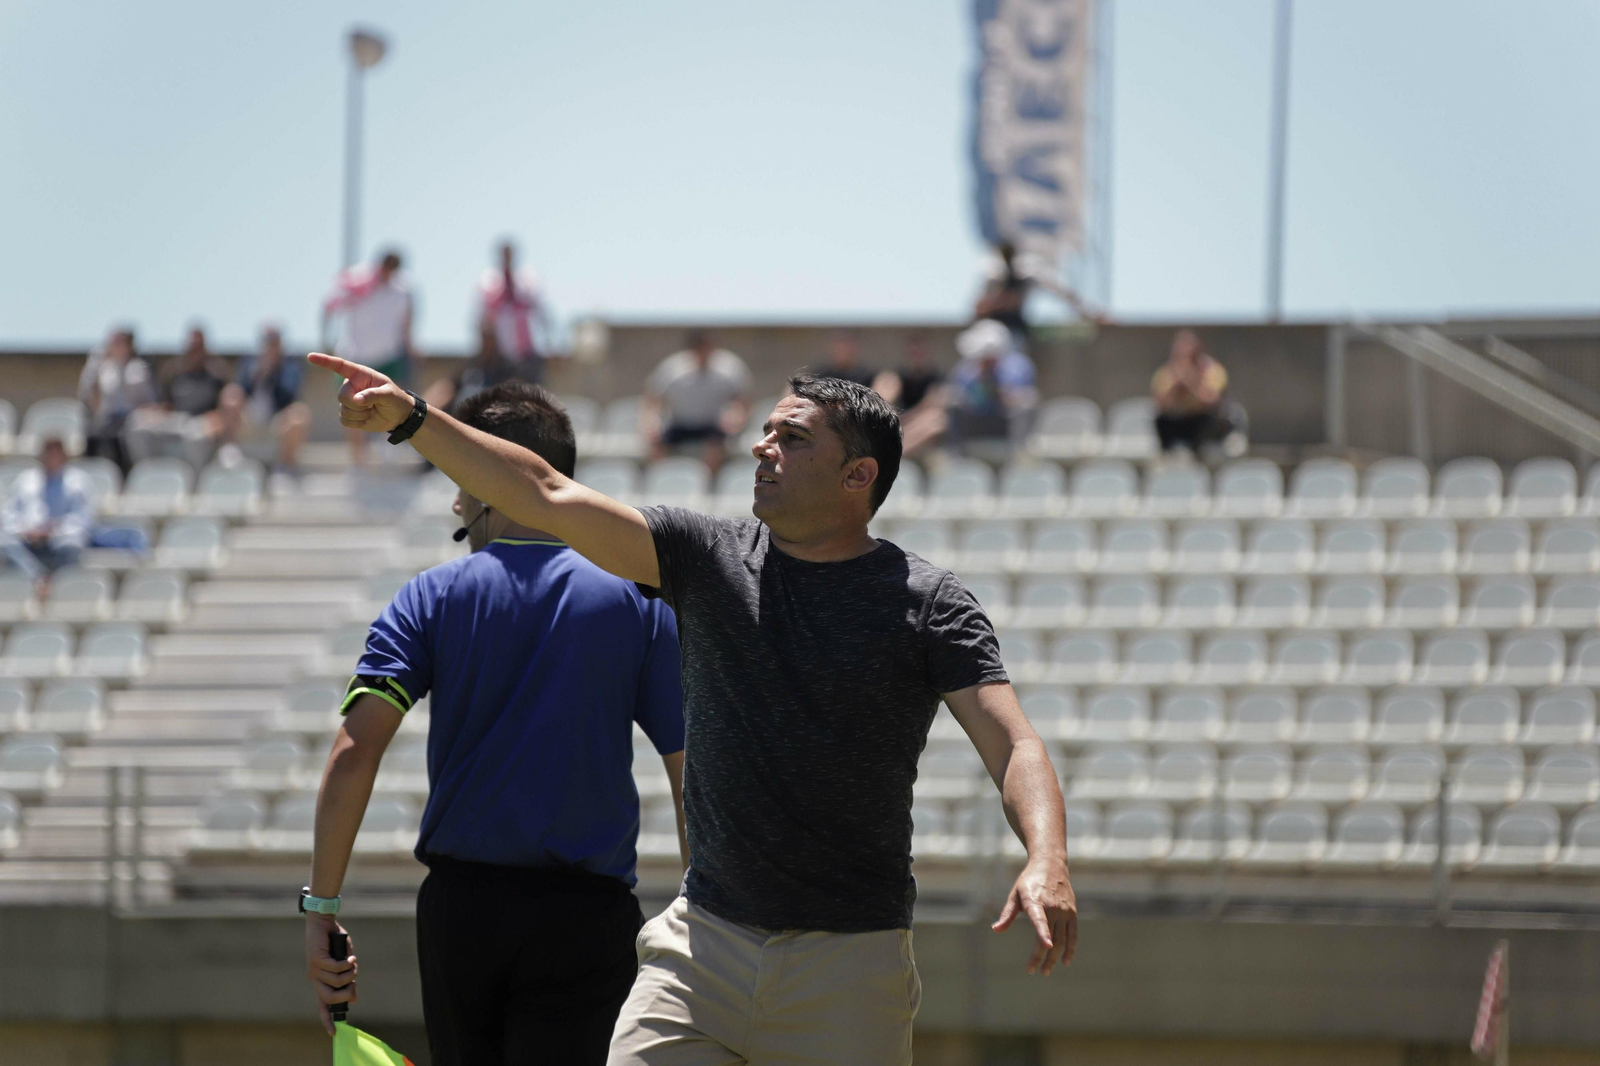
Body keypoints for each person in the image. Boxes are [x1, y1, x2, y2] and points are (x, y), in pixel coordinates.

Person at [310, 350, 1077, 1066]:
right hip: (700, 947)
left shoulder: (929, 603)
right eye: (767, 429)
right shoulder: (703, 557)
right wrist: (412, 418)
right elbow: (544, 492)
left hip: (850, 961)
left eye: (793, 437)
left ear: (857, 476)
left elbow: (1013, 745)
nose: (761, 447)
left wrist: (1045, 857)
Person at [303, 381, 687, 1066]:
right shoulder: (639, 602)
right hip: (588, 916)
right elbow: (694, 773)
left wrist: (321, 909)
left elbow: (353, 755)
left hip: (461, 915)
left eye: (461, 477)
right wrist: (703, 927)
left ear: (487, 478)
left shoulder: (428, 596)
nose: (456, 500)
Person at [322, 249, 417, 465]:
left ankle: (388, 450)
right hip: (355, 356)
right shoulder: (355, 280)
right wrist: (326, 339)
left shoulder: (403, 290)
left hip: (388, 358)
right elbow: (329, 306)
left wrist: (411, 347)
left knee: (393, 404)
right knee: (352, 407)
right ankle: (358, 461)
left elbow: (406, 323)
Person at [123, 324, 244, 468]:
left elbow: (225, 408)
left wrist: (218, 420)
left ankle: (195, 482)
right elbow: (165, 405)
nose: (194, 352)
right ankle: (147, 473)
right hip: (176, 421)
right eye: (191, 347)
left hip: (201, 422)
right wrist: (152, 414)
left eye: (198, 348)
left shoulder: (216, 373)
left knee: (194, 436)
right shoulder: (174, 371)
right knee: (137, 425)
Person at [640, 331, 751, 476]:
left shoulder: (729, 368)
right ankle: (661, 480)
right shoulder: (672, 368)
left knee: (716, 446)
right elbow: (652, 397)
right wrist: (651, 423)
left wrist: (736, 418)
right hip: (680, 424)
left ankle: (707, 485)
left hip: (711, 425)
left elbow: (742, 399)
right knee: (657, 444)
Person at [974, 240, 1102, 348]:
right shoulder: (993, 272)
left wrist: (1090, 314)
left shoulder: (1026, 270)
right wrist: (1000, 303)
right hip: (991, 324)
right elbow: (978, 307)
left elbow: (1060, 291)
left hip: (1015, 325)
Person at [1, 437, 93, 587]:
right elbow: (10, 514)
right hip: (28, 539)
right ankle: (40, 579)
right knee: (4, 542)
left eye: (55, 454)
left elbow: (82, 520)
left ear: (64, 456)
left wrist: (53, 530)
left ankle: (57, 585)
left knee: (72, 546)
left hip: (59, 539)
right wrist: (25, 530)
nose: (51, 458)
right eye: (47, 453)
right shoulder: (25, 479)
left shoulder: (78, 481)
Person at [945, 319, 1039, 455]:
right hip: (976, 420)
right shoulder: (965, 368)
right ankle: (955, 456)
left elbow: (1021, 399)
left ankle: (1019, 455)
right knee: (952, 403)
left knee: (1028, 402)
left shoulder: (1019, 366)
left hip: (1005, 421)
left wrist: (995, 387)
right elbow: (958, 395)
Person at [1151, 328, 1243, 457]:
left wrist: (1190, 380)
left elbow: (1211, 401)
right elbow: (1160, 404)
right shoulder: (1167, 373)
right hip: (1179, 421)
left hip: (1204, 422)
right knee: (1161, 421)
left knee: (1205, 420)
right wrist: (1175, 388)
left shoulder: (1212, 370)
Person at [236, 324, 312, 477]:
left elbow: (289, 394)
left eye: (274, 341)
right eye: (267, 341)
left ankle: (286, 465)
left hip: (277, 418)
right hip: (250, 416)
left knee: (300, 414)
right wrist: (258, 374)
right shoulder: (249, 362)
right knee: (230, 396)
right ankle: (230, 454)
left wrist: (273, 372)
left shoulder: (291, 365)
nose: (270, 346)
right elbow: (241, 390)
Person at [78, 327, 155, 472]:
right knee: (92, 435)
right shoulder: (103, 368)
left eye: (120, 342)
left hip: (130, 419)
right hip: (107, 419)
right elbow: (86, 391)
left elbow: (147, 400)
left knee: (120, 438)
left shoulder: (137, 367)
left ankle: (122, 475)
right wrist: (95, 363)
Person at [477, 239, 551, 379]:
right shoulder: (488, 282)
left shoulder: (528, 280)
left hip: (528, 355)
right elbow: (482, 319)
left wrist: (551, 345)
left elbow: (543, 313)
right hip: (499, 357)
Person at [423, 322, 531, 415]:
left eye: (490, 336)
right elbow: (446, 388)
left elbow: (516, 393)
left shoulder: (509, 368)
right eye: (484, 336)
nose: (486, 341)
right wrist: (426, 409)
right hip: (461, 421)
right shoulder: (470, 366)